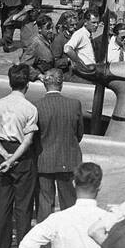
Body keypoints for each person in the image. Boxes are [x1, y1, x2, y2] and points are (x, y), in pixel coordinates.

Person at [0, 63, 39, 248]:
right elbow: (28, 140)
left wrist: (5, 156)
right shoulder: (30, 108)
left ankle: (0, 247)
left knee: (3, 202)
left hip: (1, 152)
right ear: (27, 84)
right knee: (23, 206)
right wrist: (14, 158)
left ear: (10, 82)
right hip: (22, 156)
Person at [34, 69, 83, 220]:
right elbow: (79, 133)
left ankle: (45, 241)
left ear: (45, 85)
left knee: (45, 202)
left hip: (44, 158)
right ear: (61, 84)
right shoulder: (74, 104)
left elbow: (34, 135)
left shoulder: (37, 105)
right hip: (68, 158)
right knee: (69, 202)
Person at [64, 11, 101, 78]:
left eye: (97, 22)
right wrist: (79, 63)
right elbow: (67, 49)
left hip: (92, 72)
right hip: (84, 74)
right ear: (86, 22)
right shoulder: (80, 34)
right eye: (93, 22)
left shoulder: (89, 35)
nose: (96, 25)